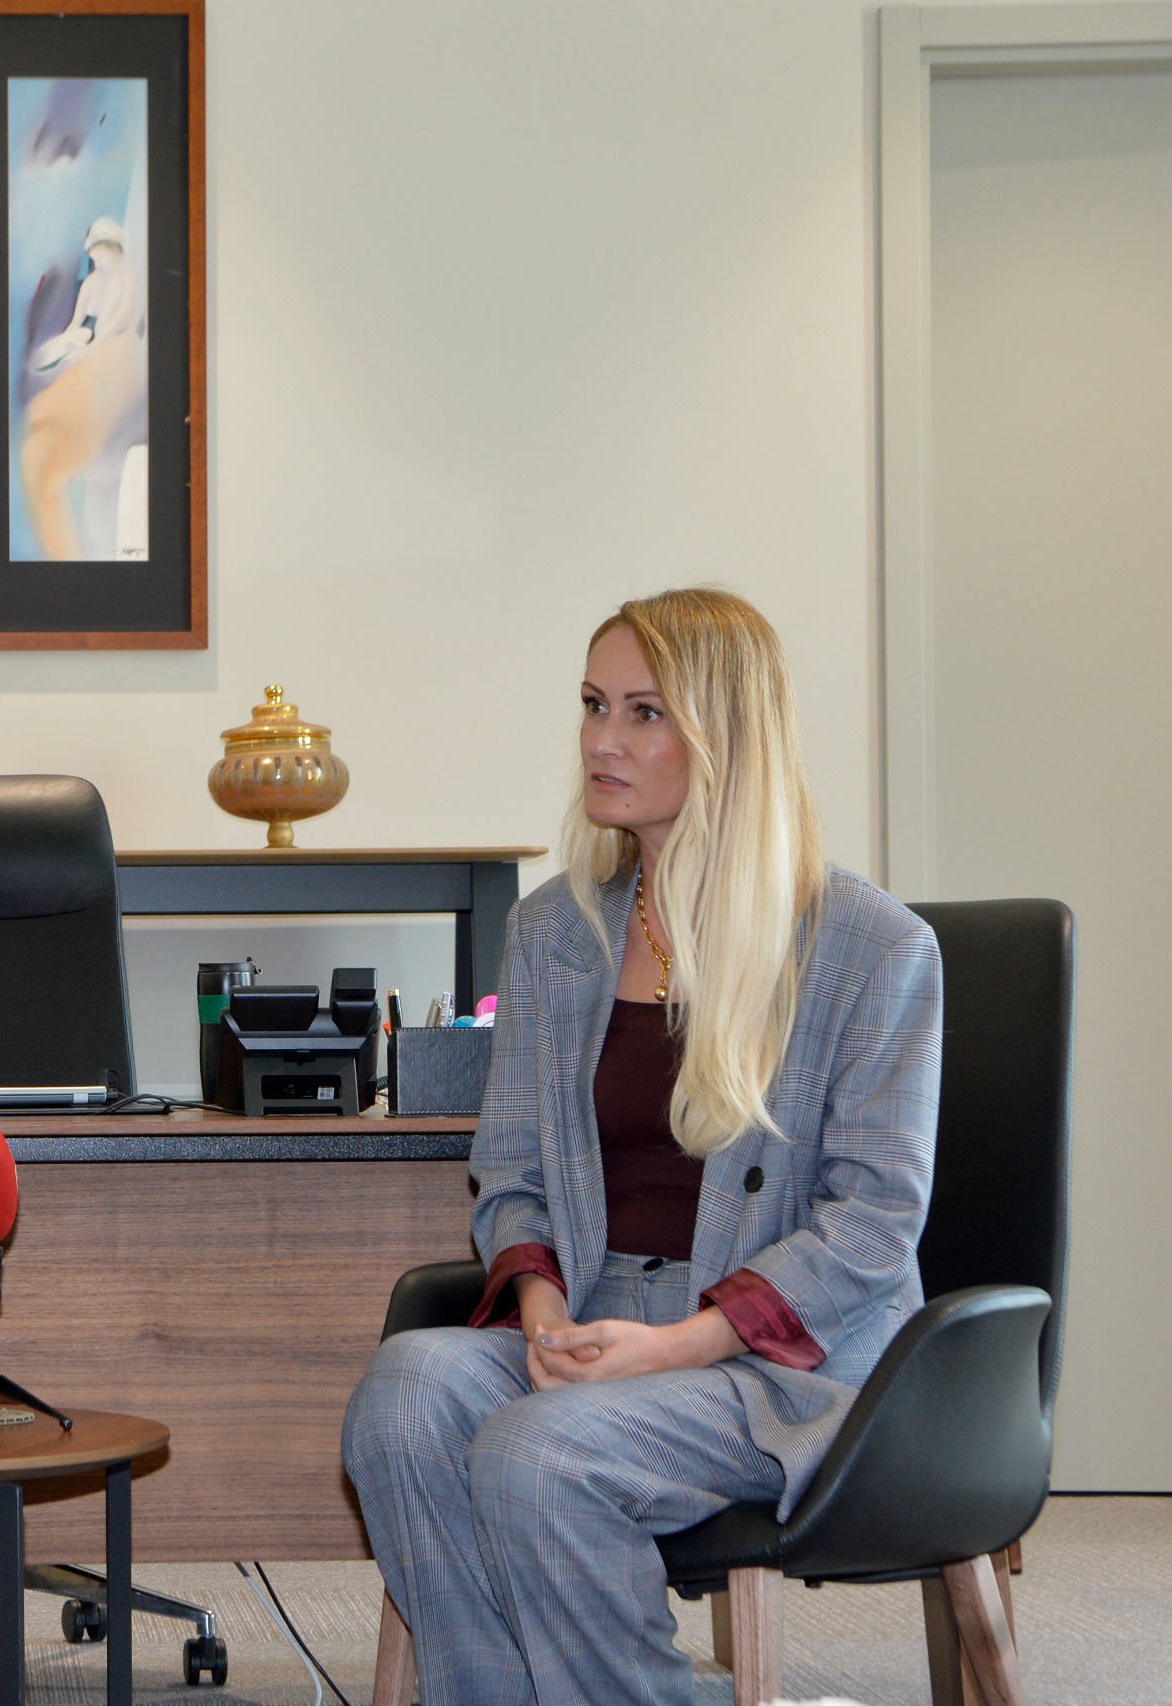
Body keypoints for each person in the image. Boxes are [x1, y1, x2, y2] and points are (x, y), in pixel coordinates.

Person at [341, 589, 942, 1706]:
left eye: (644, 712)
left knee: (537, 1454)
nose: (601, 740)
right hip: (596, 1317)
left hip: (776, 1362)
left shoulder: (871, 948)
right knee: (405, 1395)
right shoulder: (553, 931)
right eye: (592, 704)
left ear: (725, 740)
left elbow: (873, 1221)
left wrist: (681, 1345)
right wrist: (542, 1312)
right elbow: (512, 1170)